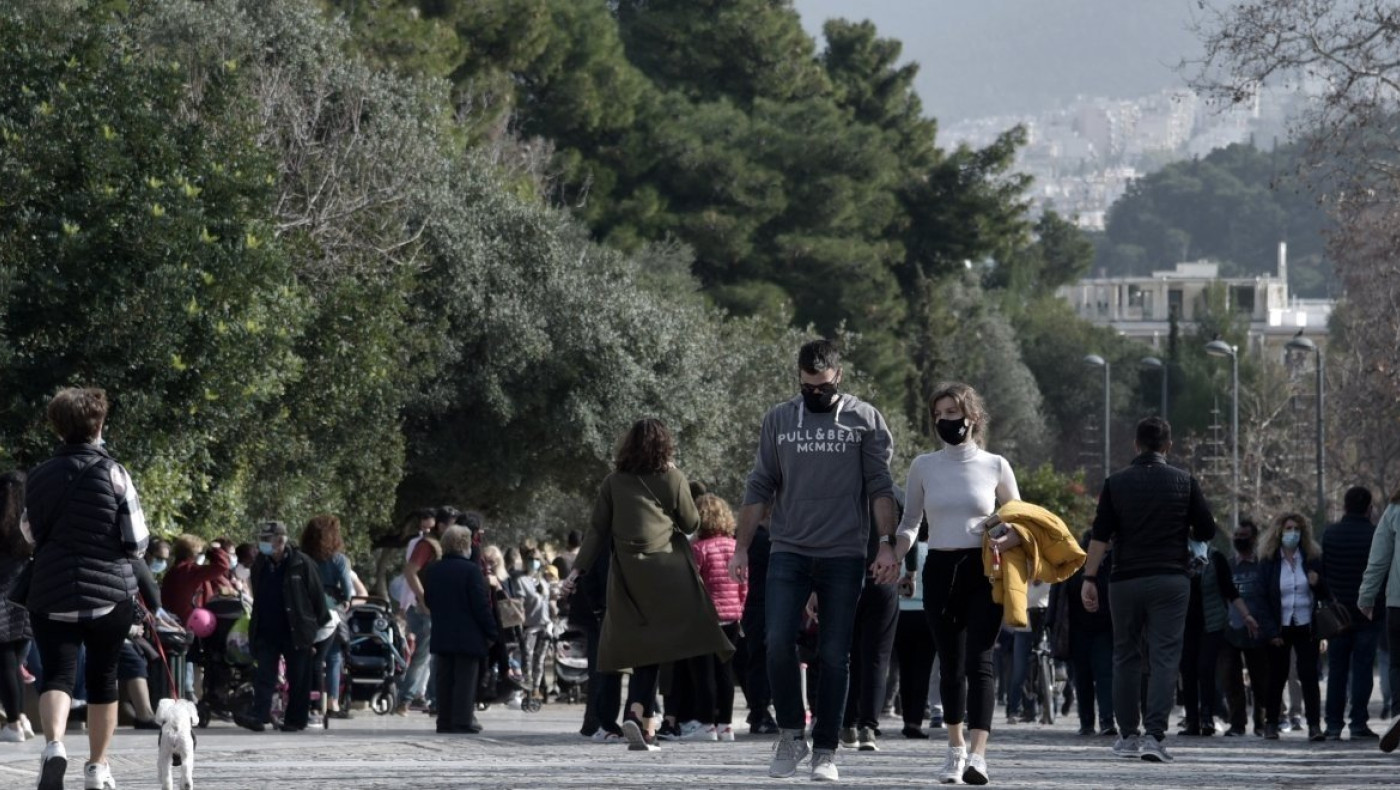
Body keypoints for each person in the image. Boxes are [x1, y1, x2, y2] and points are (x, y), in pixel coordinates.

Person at [728, 340, 898, 783]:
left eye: (821, 386)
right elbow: (759, 484)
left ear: (838, 376)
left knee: (834, 654)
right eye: (806, 386)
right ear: (798, 379)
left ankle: (825, 750)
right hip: (789, 549)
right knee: (776, 641)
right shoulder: (780, 419)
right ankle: (790, 734)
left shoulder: (865, 419)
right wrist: (741, 547)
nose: (814, 394)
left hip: (843, 553)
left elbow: (880, 486)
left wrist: (887, 544)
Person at [562, 418, 733, 753]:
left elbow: (597, 531)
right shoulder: (672, 477)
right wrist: (676, 480)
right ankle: (642, 714)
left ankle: (645, 721)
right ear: (665, 446)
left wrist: (575, 572)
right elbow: (691, 522)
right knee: (662, 645)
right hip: (667, 572)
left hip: (627, 574)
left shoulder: (613, 482)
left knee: (642, 643)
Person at [21, 387, 150, 790]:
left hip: (52, 589)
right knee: (103, 677)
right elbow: (137, 540)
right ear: (99, 425)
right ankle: (97, 767)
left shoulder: (38, 475)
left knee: (57, 674)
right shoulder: (114, 472)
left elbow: (29, 531)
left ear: (57, 428)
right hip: (108, 594)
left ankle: (55, 746)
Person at [894, 382, 1017, 786]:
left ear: (973, 416)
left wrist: (1006, 536)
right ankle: (954, 747)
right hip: (940, 567)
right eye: (940, 414)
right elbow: (910, 522)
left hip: (984, 567)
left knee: (979, 662)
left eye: (953, 412)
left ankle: (978, 757)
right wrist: (892, 552)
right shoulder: (924, 466)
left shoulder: (995, 465)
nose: (946, 420)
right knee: (949, 665)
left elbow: (1018, 520)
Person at [1080, 416, 1216, 764]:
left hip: (1125, 579)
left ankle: (1127, 736)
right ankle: (1155, 736)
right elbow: (1206, 529)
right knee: (1165, 656)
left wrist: (1089, 578)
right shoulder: (1185, 482)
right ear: (1168, 447)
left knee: (1124, 654)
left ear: (1135, 445)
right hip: (1171, 579)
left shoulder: (1115, 483)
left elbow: (1100, 534)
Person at [236, 521, 330, 733]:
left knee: (298, 678)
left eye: (266, 540)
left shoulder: (302, 563)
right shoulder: (260, 563)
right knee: (264, 677)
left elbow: (318, 600)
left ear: (280, 540)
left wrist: (313, 631)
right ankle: (259, 716)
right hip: (267, 629)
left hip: (296, 631)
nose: (262, 544)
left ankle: (295, 720)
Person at [1257, 513, 1326, 741]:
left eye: (1297, 528)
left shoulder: (1312, 558)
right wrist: (1270, 631)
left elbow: (1327, 593)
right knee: (1277, 676)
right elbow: (1261, 598)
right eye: (1288, 528)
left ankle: (1314, 725)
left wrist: (1318, 583)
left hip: (1306, 624)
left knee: (1308, 675)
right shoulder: (1268, 561)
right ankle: (1271, 723)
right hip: (1279, 625)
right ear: (1279, 531)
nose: (1293, 532)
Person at [423, 525, 497, 733]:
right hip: (468, 635)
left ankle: (444, 721)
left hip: (442, 632)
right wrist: (491, 631)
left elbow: (429, 600)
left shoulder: (434, 569)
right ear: (465, 545)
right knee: (465, 680)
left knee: (444, 679)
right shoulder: (471, 571)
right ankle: (462, 721)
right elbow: (480, 605)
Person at [1179, 535, 1255, 736]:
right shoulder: (1178, 556)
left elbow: (1229, 590)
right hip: (1184, 624)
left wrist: (1246, 615)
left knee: (1205, 669)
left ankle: (1207, 717)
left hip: (1211, 623)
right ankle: (1192, 721)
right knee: (1187, 670)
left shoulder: (1215, 558)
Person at [1322, 486, 1381, 740]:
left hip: (1337, 615)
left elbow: (1324, 570)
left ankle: (1333, 724)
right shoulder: (1374, 535)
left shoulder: (1330, 534)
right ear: (1368, 508)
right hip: (1367, 612)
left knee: (1337, 670)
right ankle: (1358, 722)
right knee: (1362, 669)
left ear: (1345, 507)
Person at [686, 494, 747, 741]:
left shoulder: (698, 549)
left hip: (706, 617)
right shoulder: (736, 548)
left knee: (704, 673)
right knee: (725, 672)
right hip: (732, 617)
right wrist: (740, 609)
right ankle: (726, 725)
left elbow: (693, 583)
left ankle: (707, 723)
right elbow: (744, 583)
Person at [1049, 531, 1115, 737]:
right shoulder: (1074, 563)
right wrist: (1051, 622)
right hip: (1077, 631)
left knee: (1104, 676)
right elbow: (1058, 592)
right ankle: (1087, 722)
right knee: (1083, 677)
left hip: (1104, 630)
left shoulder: (1112, 563)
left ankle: (1106, 720)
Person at [1222, 518, 1274, 737]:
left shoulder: (1263, 563)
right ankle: (1237, 723)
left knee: (1260, 680)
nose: (1239, 540)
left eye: (1244, 536)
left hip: (1258, 630)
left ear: (1253, 539)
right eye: (1236, 536)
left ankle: (1261, 722)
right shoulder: (1228, 565)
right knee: (1231, 680)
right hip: (1231, 629)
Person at [301, 515, 355, 720]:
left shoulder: (303, 556)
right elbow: (348, 593)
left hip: (306, 607)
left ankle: (307, 699)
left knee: (308, 656)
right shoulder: (339, 559)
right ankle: (332, 701)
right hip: (331, 609)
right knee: (333, 656)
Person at [1359, 487, 1400, 752]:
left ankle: (1398, 712)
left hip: (1398, 603)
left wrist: (1366, 596)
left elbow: (1379, 558)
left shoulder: (1394, 511)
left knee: (1397, 663)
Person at [395, 509, 446, 714]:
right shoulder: (427, 545)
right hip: (424, 608)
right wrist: (422, 600)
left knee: (430, 656)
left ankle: (429, 699)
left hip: (422, 605)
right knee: (423, 656)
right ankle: (406, 699)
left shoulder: (433, 545)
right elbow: (410, 573)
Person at [0, 471, 35, 743]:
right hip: (25, 600)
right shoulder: (30, 525)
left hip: (1, 599)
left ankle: (13, 723)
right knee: (16, 663)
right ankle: (21, 717)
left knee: (7, 664)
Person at [159, 534, 231, 624]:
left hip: (175, 619)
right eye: (200, 553)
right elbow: (223, 565)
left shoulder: (174, 570)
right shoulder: (189, 570)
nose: (202, 556)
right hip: (188, 623)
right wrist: (215, 550)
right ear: (192, 554)